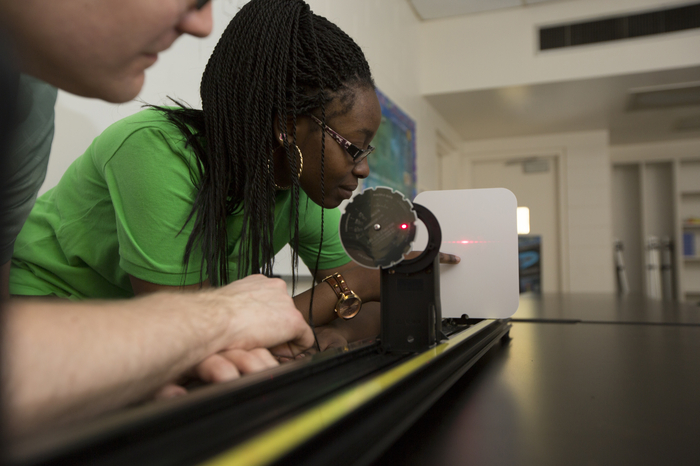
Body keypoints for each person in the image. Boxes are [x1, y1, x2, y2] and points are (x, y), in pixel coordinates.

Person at [0, 0, 315, 438]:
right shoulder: (151, 145)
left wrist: (132, 360)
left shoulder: (27, 103)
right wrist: (212, 321)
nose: (204, 25)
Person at [10, 0, 386, 350]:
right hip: (44, 313)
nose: (363, 167)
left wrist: (336, 332)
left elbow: (373, 308)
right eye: (353, 148)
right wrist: (353, 284)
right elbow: (190, 330)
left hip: (146, 336)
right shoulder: (156, 150)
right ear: (288, 126)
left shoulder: (295, 184)